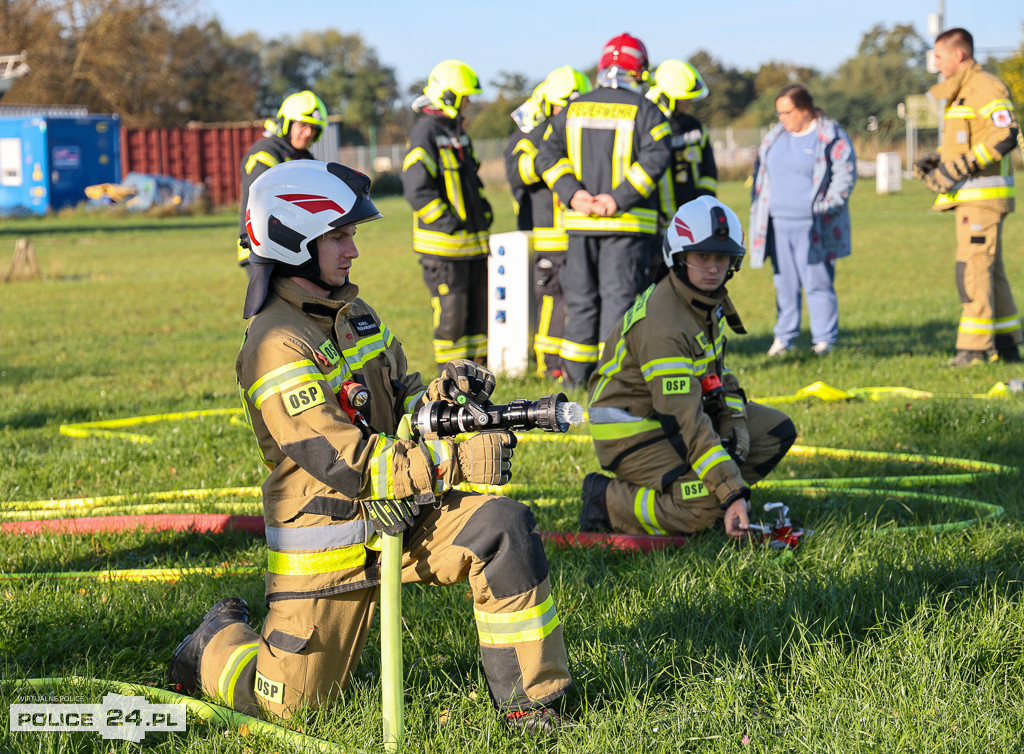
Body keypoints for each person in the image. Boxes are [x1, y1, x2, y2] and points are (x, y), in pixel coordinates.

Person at [170, 160, 572, 737]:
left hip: (402, 517)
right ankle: (214, 644)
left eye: (351, 233)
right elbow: (346, 462)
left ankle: (531, 707)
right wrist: (456, 461)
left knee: (502, 527)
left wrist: (442, 398)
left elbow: (398, 401)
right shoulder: (275, 345)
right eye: (339, 235)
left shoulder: (354, 315)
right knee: (290, 711)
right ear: (291, 239)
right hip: (328, 550)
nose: (353, 250)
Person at [579, 196, 797, 538]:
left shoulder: (705, 301)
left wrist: (736, 423)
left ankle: (697, 488)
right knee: (708, 503)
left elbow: (716, 378)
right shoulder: (664, 322)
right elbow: (681, 420)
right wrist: (732, 492)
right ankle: (608, 502)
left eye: (722, 257)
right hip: (633, 431)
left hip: (674, 415)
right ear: (678, 258)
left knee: (775, 432)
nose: (713, 267)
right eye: (702, 256)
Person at [534, 33, 672, 388]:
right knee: (619, 301)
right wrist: (617, 197)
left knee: (579, 301)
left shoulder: (573, 108)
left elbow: (546, 156)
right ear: (638, 70)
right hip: (626, 225)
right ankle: (615, 380)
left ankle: (575, 379)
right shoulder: (646, 110)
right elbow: (657, 157)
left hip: (580, 224)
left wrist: (574, 195)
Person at [913, 27, 1022, 366]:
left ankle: (973, 351)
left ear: (958, 55)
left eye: (939, 57)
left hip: (982, 201)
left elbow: (1006, 134)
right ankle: (1007, 346)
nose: (936, 64)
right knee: (991, 271)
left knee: (972, 272)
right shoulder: (962, 91)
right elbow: (972, 139)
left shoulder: (985, 86)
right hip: (975, 200)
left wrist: (958, 168)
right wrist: (938, 160)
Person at [748, 84, 856, 356]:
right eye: (779, 113)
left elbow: (844, 174)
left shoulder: (829, 135)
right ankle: (784, 337)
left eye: (787, 112)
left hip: (814, 225)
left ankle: (824, 340)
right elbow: (761, 174)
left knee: (817, 283)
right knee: (784, 283)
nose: (782, 118)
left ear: (805, 109)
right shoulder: (775, 137)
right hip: (777, 224)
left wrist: (828, 205)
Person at [401, 60, 493, 370]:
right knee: (452, 315)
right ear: (449, 96)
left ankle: (478, 370)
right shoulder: (426, 132)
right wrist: (449, 223)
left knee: (478, 311)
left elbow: (471, 180)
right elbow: (417, 188)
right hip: (444, 249)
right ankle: (451, 376)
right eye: (465, 96)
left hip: (472, 247)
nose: (469, 103)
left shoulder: (457, 132)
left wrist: (483, 209)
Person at [505, 66, 593, 379]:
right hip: (548, 236)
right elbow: (516, 170)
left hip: (581, 233)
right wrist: (550, 161)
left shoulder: (582, 131)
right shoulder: (532, 135)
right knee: (554, 301)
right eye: (563, 106)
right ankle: (550, 366)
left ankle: (574, 362)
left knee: (578, 300)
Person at [236, 90, 327, 266]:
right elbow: (270, 198)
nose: (308, 133)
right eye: (303, 125)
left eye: (314, 128)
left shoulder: (305, 158)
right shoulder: (264, 153)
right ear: (287, 123)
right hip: (261, 247)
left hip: (294, 246)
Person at [646, 59, 718, 282]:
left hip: (691, 221)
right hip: (656, 224)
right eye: (682, 98)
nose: (688, 102)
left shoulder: (694, 126)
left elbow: (708, 171)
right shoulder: (647, 125)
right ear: (666, 97)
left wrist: (703, 204)